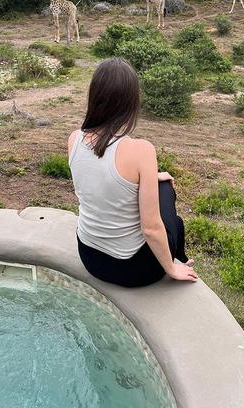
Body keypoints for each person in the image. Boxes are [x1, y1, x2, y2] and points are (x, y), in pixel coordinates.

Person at [68, 57, 197, 288]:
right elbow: (150, 228)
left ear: (94, 96)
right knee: (166, 193)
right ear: (131, 101)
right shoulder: (141, 150)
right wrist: (171, 269)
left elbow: (99, 179)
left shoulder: (74, 139)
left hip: (89, 255)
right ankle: (180, 258)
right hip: (131, 269)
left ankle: (182, 252)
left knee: (162, 189)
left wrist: (148, 178)